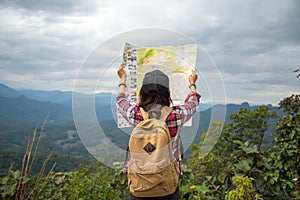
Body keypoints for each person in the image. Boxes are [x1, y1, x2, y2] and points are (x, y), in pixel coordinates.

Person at [116, 64, 201, 199]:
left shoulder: (134, 114)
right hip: (166, 187)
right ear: (167, 93)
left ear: (142, 93)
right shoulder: (176, 115)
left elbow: (121, 101)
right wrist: (192, 84)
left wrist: (123, 79)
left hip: (139, 187)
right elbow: (193, 102)